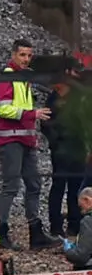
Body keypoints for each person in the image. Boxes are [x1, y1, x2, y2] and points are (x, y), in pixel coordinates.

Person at [0, 39, 59, 250]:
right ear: (13, 54)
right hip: (10, 139)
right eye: (22, 55)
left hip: (25, 139)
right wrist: (33, 114)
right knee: (11, 186)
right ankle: (0, 232)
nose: (26, 59)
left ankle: (36, 233)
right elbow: (3, 109)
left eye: (29, 56)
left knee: (34, 185)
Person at [42, 62, 85, 237]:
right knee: (59, 186)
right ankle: (56, 226)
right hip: (61, 149)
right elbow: (45, 123)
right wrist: (56, 141)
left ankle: (75, 225)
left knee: (76, 186)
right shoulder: (54, 97)